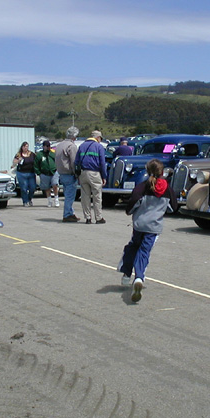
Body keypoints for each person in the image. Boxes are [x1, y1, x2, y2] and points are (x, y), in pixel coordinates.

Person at [118, 159, 177, 303]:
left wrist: (130, 212)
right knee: (144, 251)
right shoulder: (167, 189)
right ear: (162, 172)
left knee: (132, 246)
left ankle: (126, 274)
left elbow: (132, 205)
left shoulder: (141, 187)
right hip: (154, 227)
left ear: (147, 171)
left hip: (139, 225)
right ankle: (139, 277)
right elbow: (173, 207)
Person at [75, 130, 107, 224]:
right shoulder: (99, 146)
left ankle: (88, 218)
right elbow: (102, 163)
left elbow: (76, 162)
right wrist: (104, 176)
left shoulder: (81, 146)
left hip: (83, 173)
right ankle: (98, 217)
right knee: (97, 196)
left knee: (85, 196)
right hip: (94, 173)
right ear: (98, 138)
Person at [55, 127, 81, 222]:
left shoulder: (59, 145)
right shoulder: (71, 146)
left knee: (67, 194)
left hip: (61, 173)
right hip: (69, 173)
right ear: (74, 137)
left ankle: (70, 212)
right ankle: (67, 214)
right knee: (70, 196)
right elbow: (74, 162)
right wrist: (77, 174)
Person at [34, 140, 59, 207]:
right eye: (47, 146)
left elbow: (57, 161)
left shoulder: (52, 153)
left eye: (49, 146)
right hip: (44, 173)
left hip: (53, 172)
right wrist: (39, 173)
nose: (48, 147)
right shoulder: (39, 154)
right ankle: (49, 201)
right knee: (47, 188)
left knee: (55, 185)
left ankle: (56, 200)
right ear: (43, 146)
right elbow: (36, 165)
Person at [13, 141, 36, 206]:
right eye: (25, 147)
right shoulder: (19, 154)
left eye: (27, 147)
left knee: (33, 187)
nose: (26, 148)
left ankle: (29, 198)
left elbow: (36, 161)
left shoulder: (31, 154)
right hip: (21, 173)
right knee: (24, 188)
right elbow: (14, 162)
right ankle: (25, 201)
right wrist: (18, 160)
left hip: (31, 173)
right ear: (22, 147)